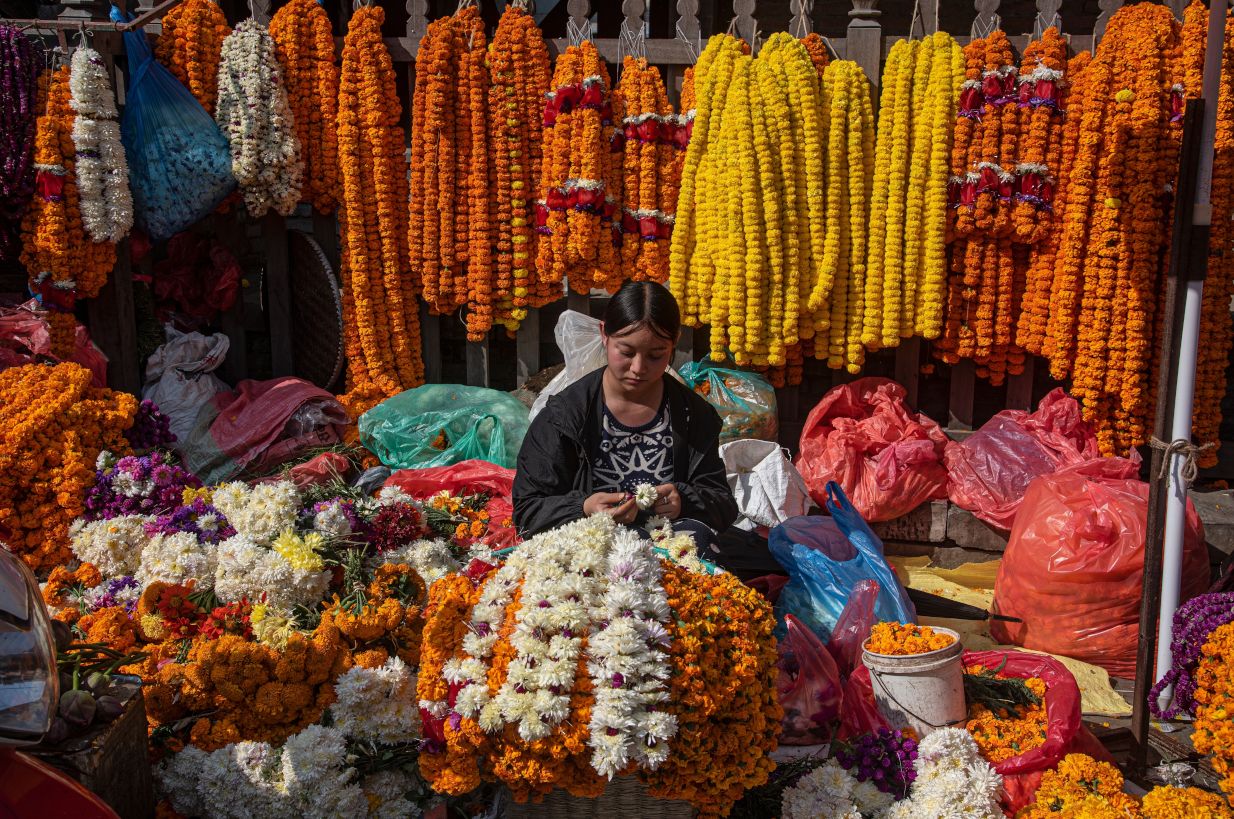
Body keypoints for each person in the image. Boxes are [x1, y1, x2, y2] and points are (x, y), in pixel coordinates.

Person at [511, 280, 737, 557]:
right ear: (604, 334)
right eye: (626, 352)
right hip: (590, 552)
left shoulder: (693, 415)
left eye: (656, 355)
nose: (639, 368)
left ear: (674, 341)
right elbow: (528, 510)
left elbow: (723, 504)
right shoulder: (563, 417)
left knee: (698, 541)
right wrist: (584, 507)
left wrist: (684, 501)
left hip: (669, 551)